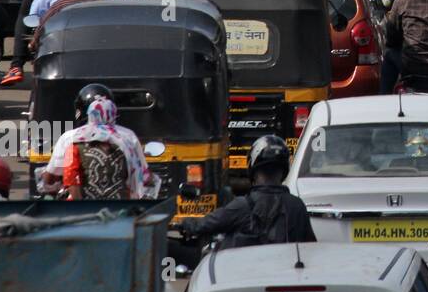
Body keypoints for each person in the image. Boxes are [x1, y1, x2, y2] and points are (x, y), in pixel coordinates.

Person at [179, 135, 315, 250]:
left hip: (246, 278)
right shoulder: (297, 206)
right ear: (284, 170)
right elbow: (311, 248)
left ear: (253, 169)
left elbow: (204, 224)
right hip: (287, 277)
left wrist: (187, 222)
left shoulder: (242, 206)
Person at [37, 86, 161, 200]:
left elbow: (52, 178)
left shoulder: (71, 138)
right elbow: (144, 177)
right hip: (124, 206)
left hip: (80, 208)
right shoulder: (127, 137)